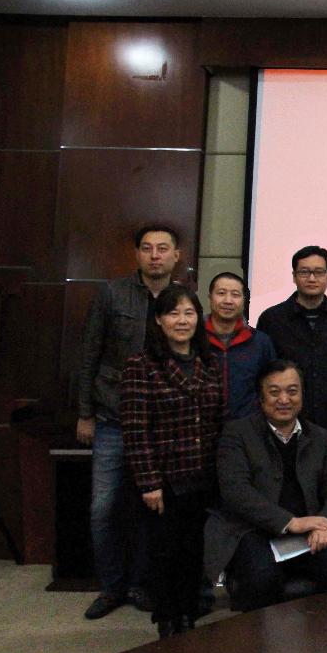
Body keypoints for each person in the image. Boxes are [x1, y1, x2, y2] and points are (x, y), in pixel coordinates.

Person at [76, 224, 181, 619]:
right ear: (137, 254)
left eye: (163, 249)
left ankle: (139, 584)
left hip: (161, 424)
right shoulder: (112, 293)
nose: (155, 256)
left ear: (176, 256)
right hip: (112, 419)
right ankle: (111, 587)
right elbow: (89, 353)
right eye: (147, 248)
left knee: (150, 509)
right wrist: (85, 412)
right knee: (103, 509)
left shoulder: (182, 298)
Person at [204, 360, 327, 611]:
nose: (284, 399)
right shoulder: (237, 434)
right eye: (274, 392)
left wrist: (326, 524)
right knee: (261, 578)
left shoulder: (318, 436)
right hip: (252, 530)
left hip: (309, 531)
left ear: (302, 395)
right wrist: (290, 522)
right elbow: (236, 491)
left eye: (292, 391)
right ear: (261, 397)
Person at [120, 285, 224, 637]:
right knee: (164, 553)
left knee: (193, 552)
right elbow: (135, 430)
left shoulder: (209, 363)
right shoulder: (141, 365)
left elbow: (216, 420)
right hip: (162, 482)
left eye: (189, 313)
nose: (182, 320)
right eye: (174, 313)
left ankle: (188, 617)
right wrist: (149, 483)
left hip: (201, 477)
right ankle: (167, 621)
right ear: (159, 320)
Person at [256, 245, 327, 445]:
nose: (312, 278)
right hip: (283, 419)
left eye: (318, 272)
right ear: (294, 276)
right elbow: (263, 372)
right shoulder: (272, 319)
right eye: (304, 272)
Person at [205, 272, 276, 421]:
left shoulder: (260, 342)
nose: (228, 300)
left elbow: (271, 386)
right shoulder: (194, 339)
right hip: (201, 426)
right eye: (221, 293)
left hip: (247, 426)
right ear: (210, 298)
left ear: (244, 301)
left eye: (235, 295)